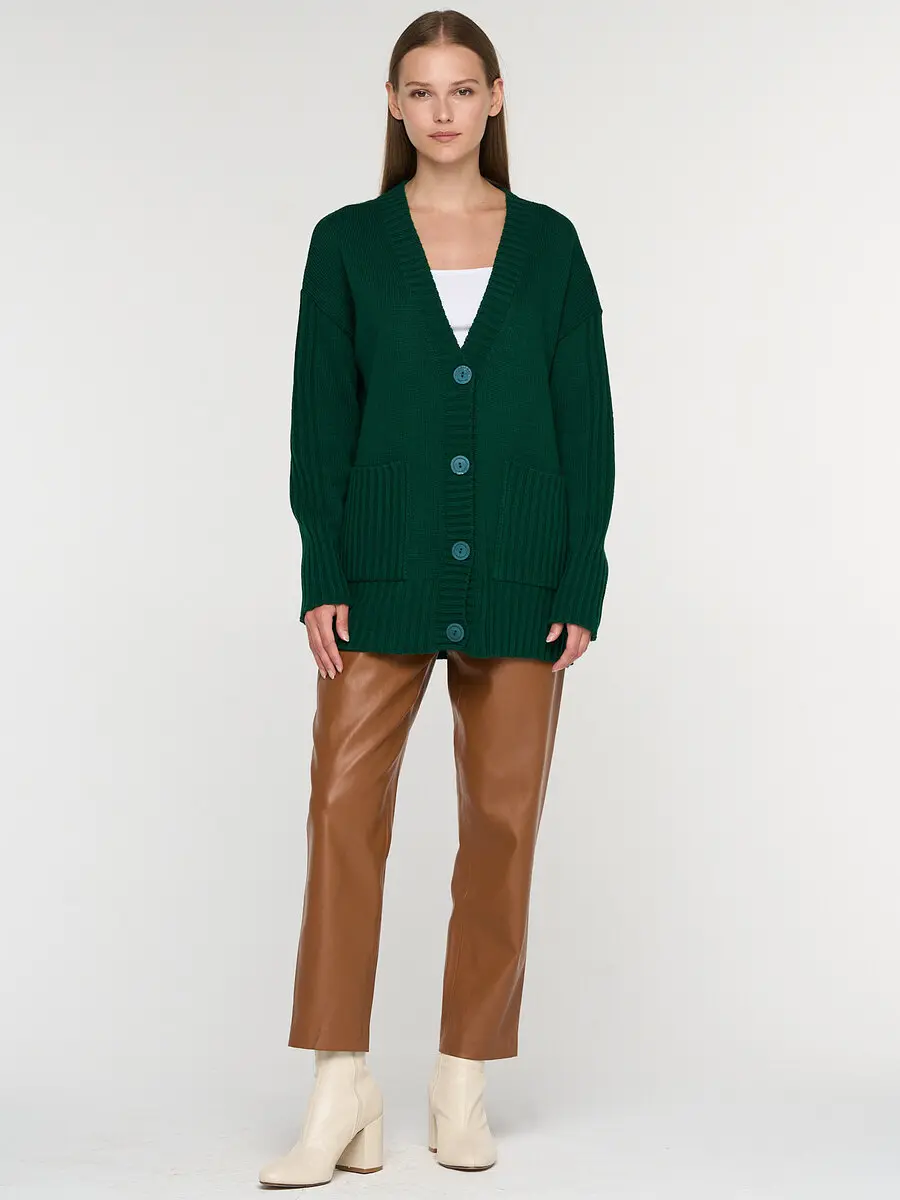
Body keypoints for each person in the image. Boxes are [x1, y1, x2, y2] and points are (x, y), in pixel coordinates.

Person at [259, 8, 615, 1189]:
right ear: (394, 104)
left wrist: (581, 574)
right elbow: (321, 420)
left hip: (522, 574)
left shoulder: (550, 246)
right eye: (422, 90)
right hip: (381, 568)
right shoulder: (348, 243)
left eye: (464, 89)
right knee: (340, 811)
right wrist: (324, 569)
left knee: (502, 825)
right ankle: (339, 1085)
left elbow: (587, 424)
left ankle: (462, 1080)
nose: (444, 110)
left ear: (495, 99)